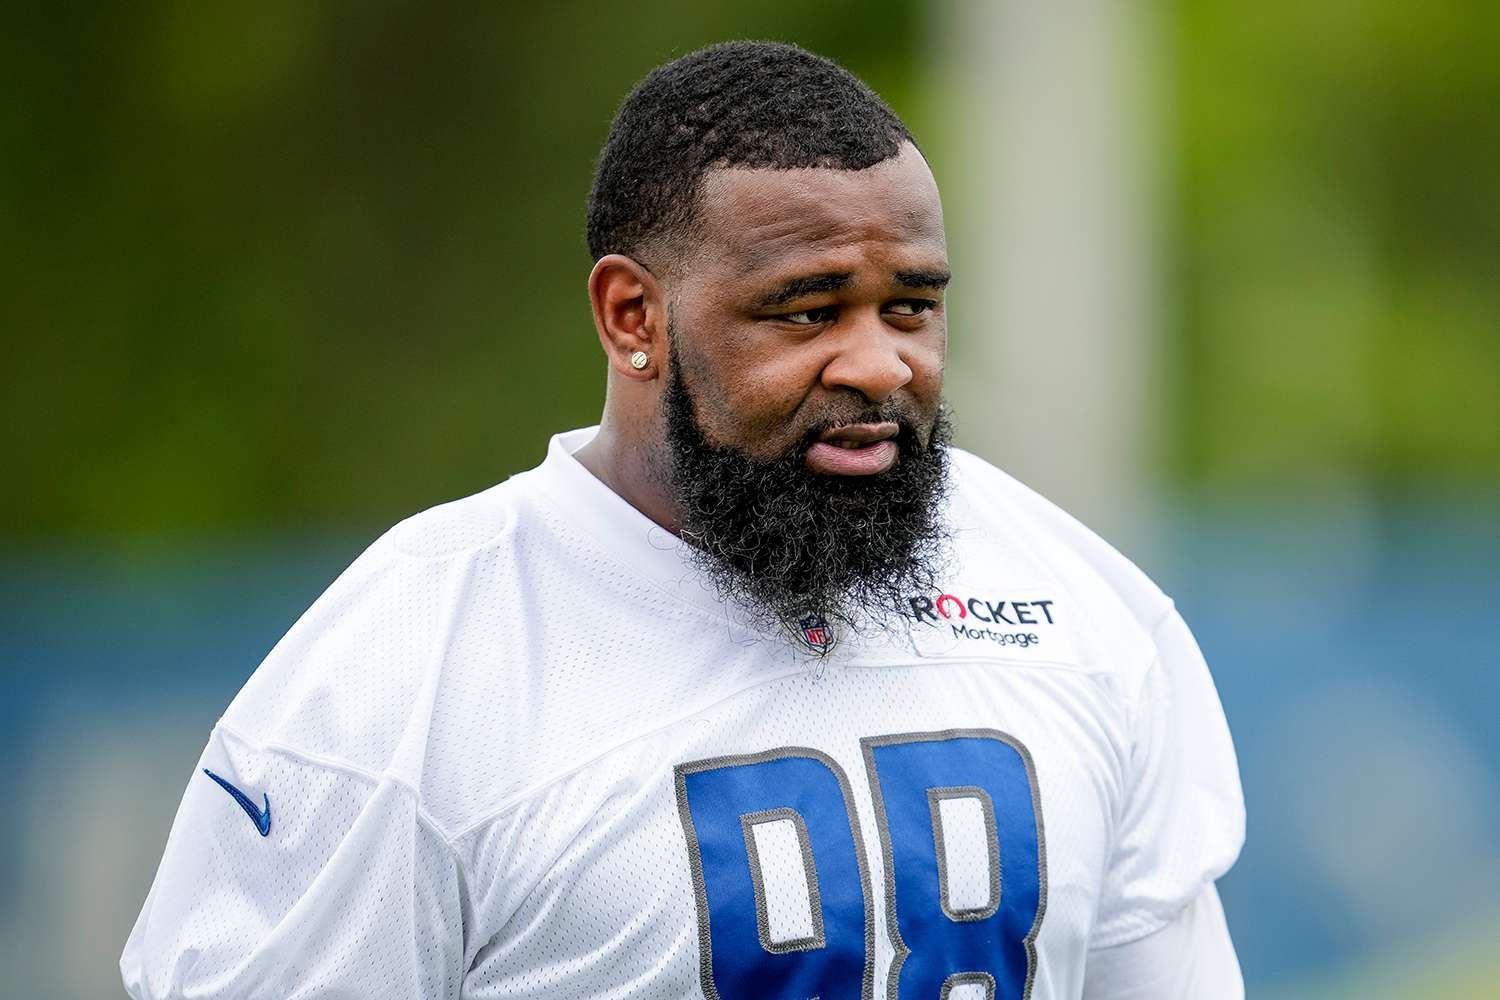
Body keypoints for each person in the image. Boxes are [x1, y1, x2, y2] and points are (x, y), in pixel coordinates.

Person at [121, 41, 1244, 999]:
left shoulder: (1090, 619)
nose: (877, 362)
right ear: (632, 315)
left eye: (911, 305)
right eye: (806, 312)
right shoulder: (405, 670)